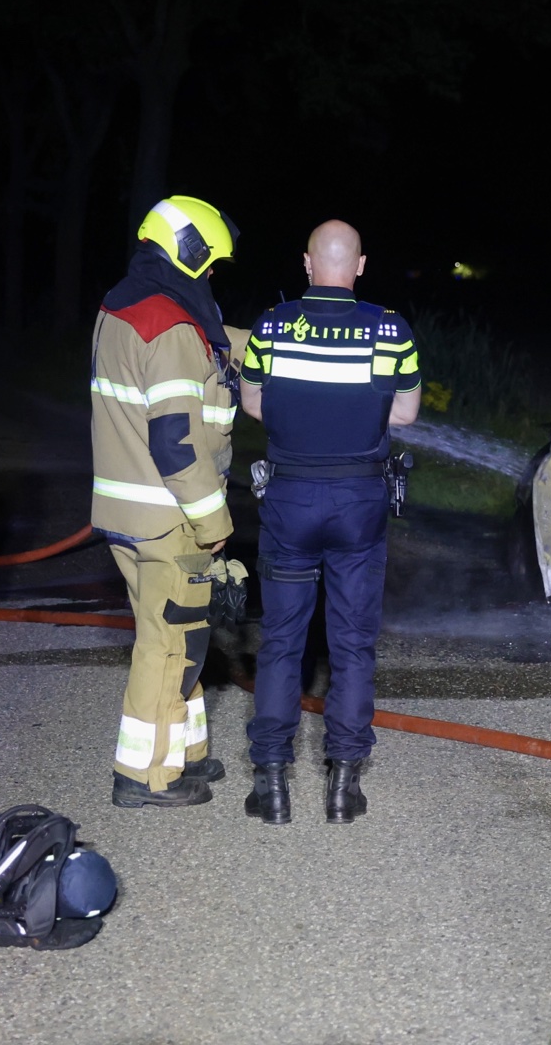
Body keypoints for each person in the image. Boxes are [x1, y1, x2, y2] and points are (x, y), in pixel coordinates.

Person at [238, 220, 420, 824]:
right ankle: (343, 787)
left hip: (290, 497)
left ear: (308, 264)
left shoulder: (270, 325)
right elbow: (407, 412)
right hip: (359, 504)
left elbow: (253, 401)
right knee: (352, 645)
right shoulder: (390, 330)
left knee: (282, 643)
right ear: (360, 265)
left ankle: (271, 787)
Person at [91, 196, 247, 809]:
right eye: (211, 264)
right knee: (166, 643)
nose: (212, 276)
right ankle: (146, 777)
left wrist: (263, 342)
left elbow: (208, 343)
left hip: (129, 513)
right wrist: (215, 524)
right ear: (190, 253)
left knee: (182, 634)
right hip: (171, 518)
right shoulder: (175, 329)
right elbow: (179, 447)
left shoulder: (126, 307)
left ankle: (185, 753)